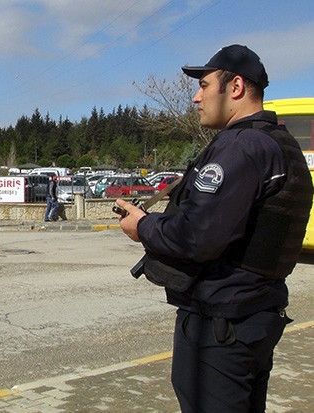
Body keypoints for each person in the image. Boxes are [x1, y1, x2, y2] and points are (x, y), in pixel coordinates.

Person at [116, 44, 312, 413]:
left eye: (204, 86)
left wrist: (142, 226)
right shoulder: (277, 142)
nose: (195, 97)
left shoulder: (243, 147)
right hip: (252, 315)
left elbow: (197, 236)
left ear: (235, 87)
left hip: (222, 325)